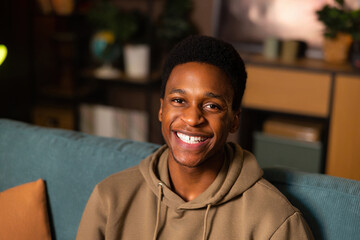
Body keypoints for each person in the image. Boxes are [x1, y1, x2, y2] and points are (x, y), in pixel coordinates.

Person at [76, 35, 314, 240]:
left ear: (234, 120)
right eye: (179, 101)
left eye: (212, 106)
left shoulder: (275, 220)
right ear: (161, 110)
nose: (192, 118)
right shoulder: (110, 197)